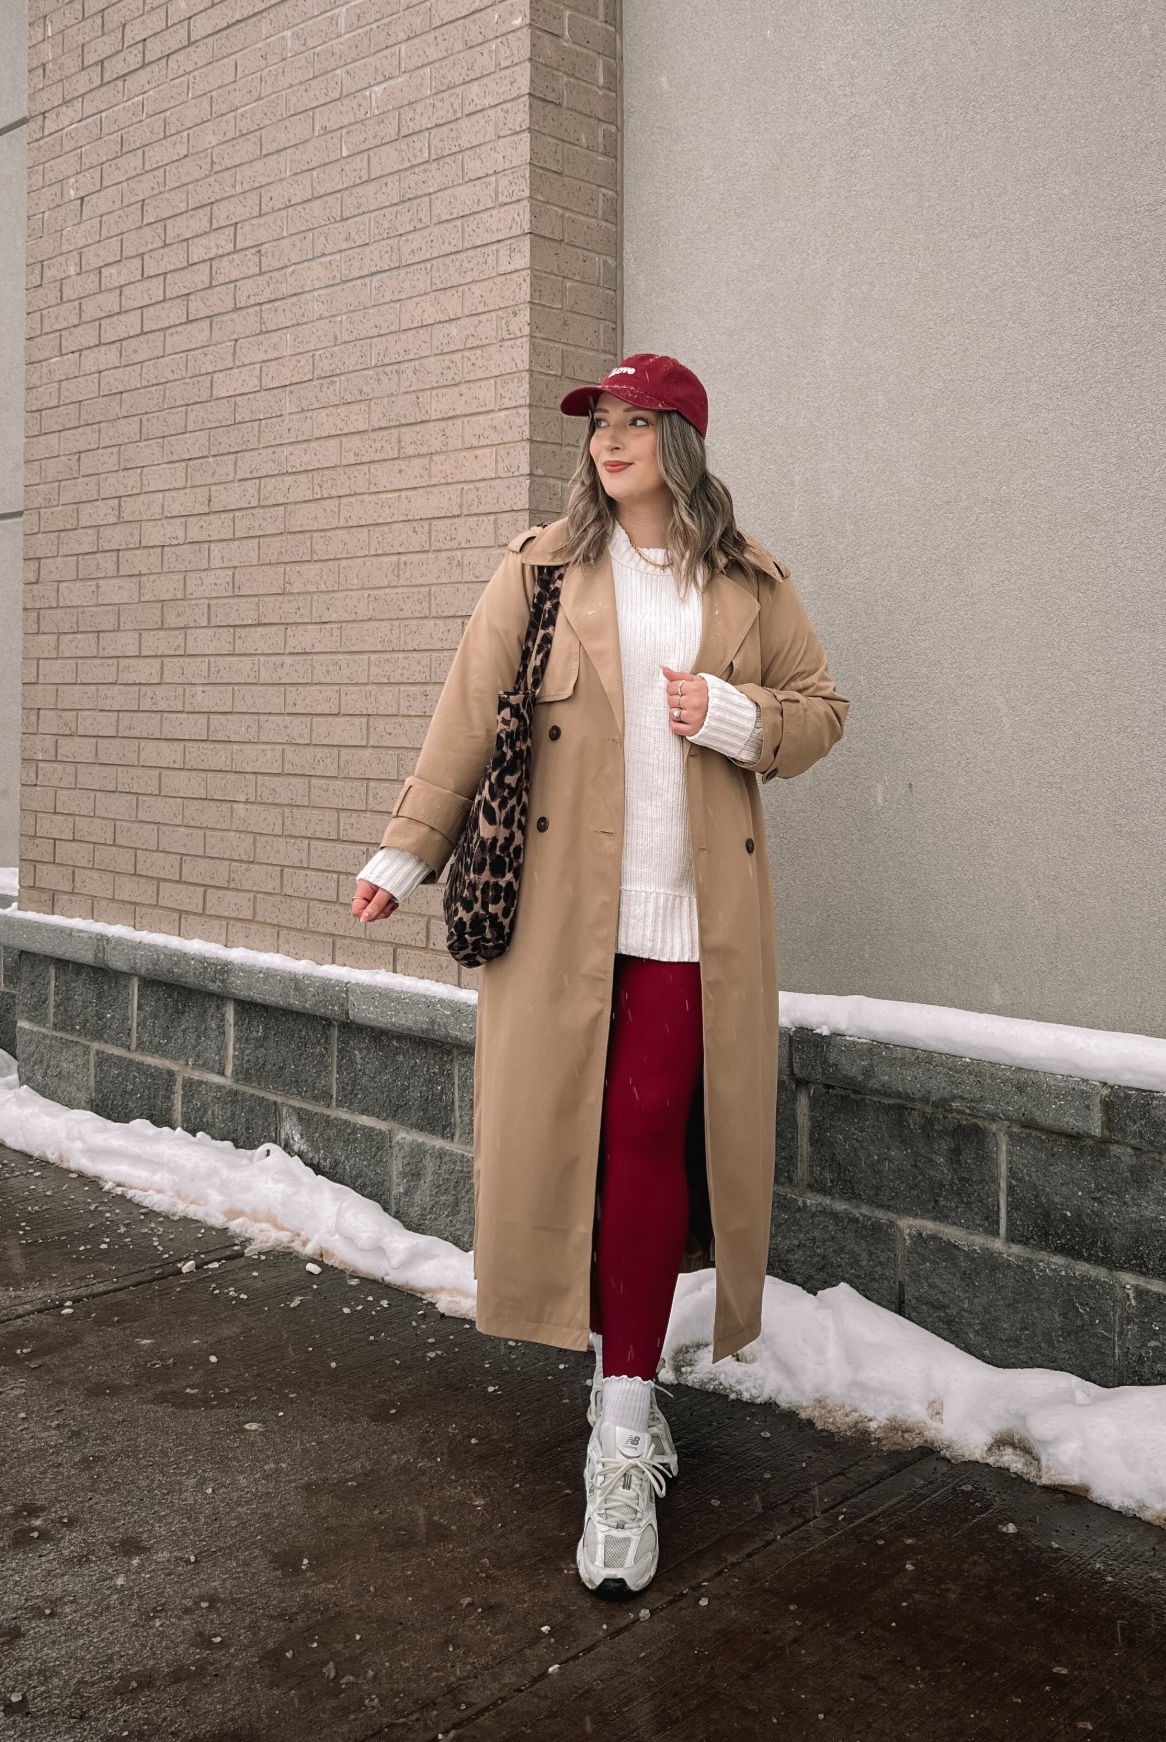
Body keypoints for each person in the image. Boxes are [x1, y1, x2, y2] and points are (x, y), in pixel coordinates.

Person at [350, 352, 848, 1597]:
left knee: (640, 1145)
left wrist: (733, 716)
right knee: (562, 1151)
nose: (609, 442)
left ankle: (620, 1431)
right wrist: (404, 851)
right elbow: (466, 720)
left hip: (693, 921)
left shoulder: (748, 580)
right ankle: (625, 1399)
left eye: (635, 422)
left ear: (680, 438)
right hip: (561, 922)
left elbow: (822, 708)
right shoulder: (539, 570)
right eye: (599, 424)